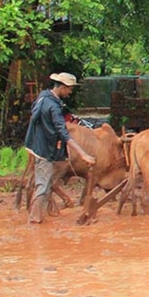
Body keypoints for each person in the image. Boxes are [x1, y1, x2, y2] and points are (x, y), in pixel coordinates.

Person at [23, 73, 95, 223]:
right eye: (69, 89)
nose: (70, 93)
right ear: (62, 87)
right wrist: (83, 154)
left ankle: (50, 211)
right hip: (44, 150)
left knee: (46, 181)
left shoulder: (44, 96)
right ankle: (34, 220)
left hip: (36, 144)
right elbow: (64, 133)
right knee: (43, 186)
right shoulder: (54, 108)